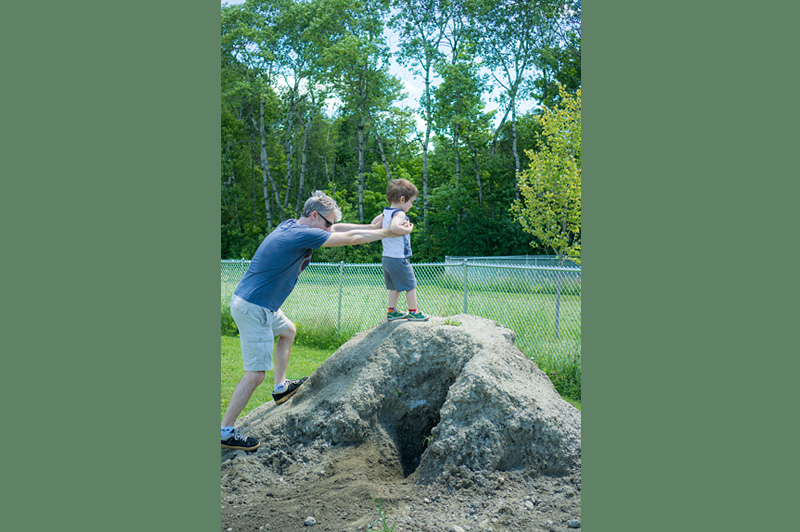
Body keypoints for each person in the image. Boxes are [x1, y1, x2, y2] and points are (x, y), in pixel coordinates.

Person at [222, 190, 413, 451]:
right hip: (255, 307)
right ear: (314, 215)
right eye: (327, 223)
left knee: (288, 331)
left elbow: (343, 228)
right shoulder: (300, 234)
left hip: (258, 303)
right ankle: (225, 431)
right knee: (255, 374)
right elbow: (350, 238)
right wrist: (388, 233)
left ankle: (280, 388)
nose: (330, 228)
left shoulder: (292, 224)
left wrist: (370, 226)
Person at [378, 179, 429, 322]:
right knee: (411, 285)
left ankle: (392, 311)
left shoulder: (386, 212)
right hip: (398, 258)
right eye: (411, 201)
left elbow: (373, 224)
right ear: (402, 199)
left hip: (386, 257)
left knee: (394, 287)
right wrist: (409, 228)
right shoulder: (399, 214)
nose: (411, 205)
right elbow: (394, 228)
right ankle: (413, 312)